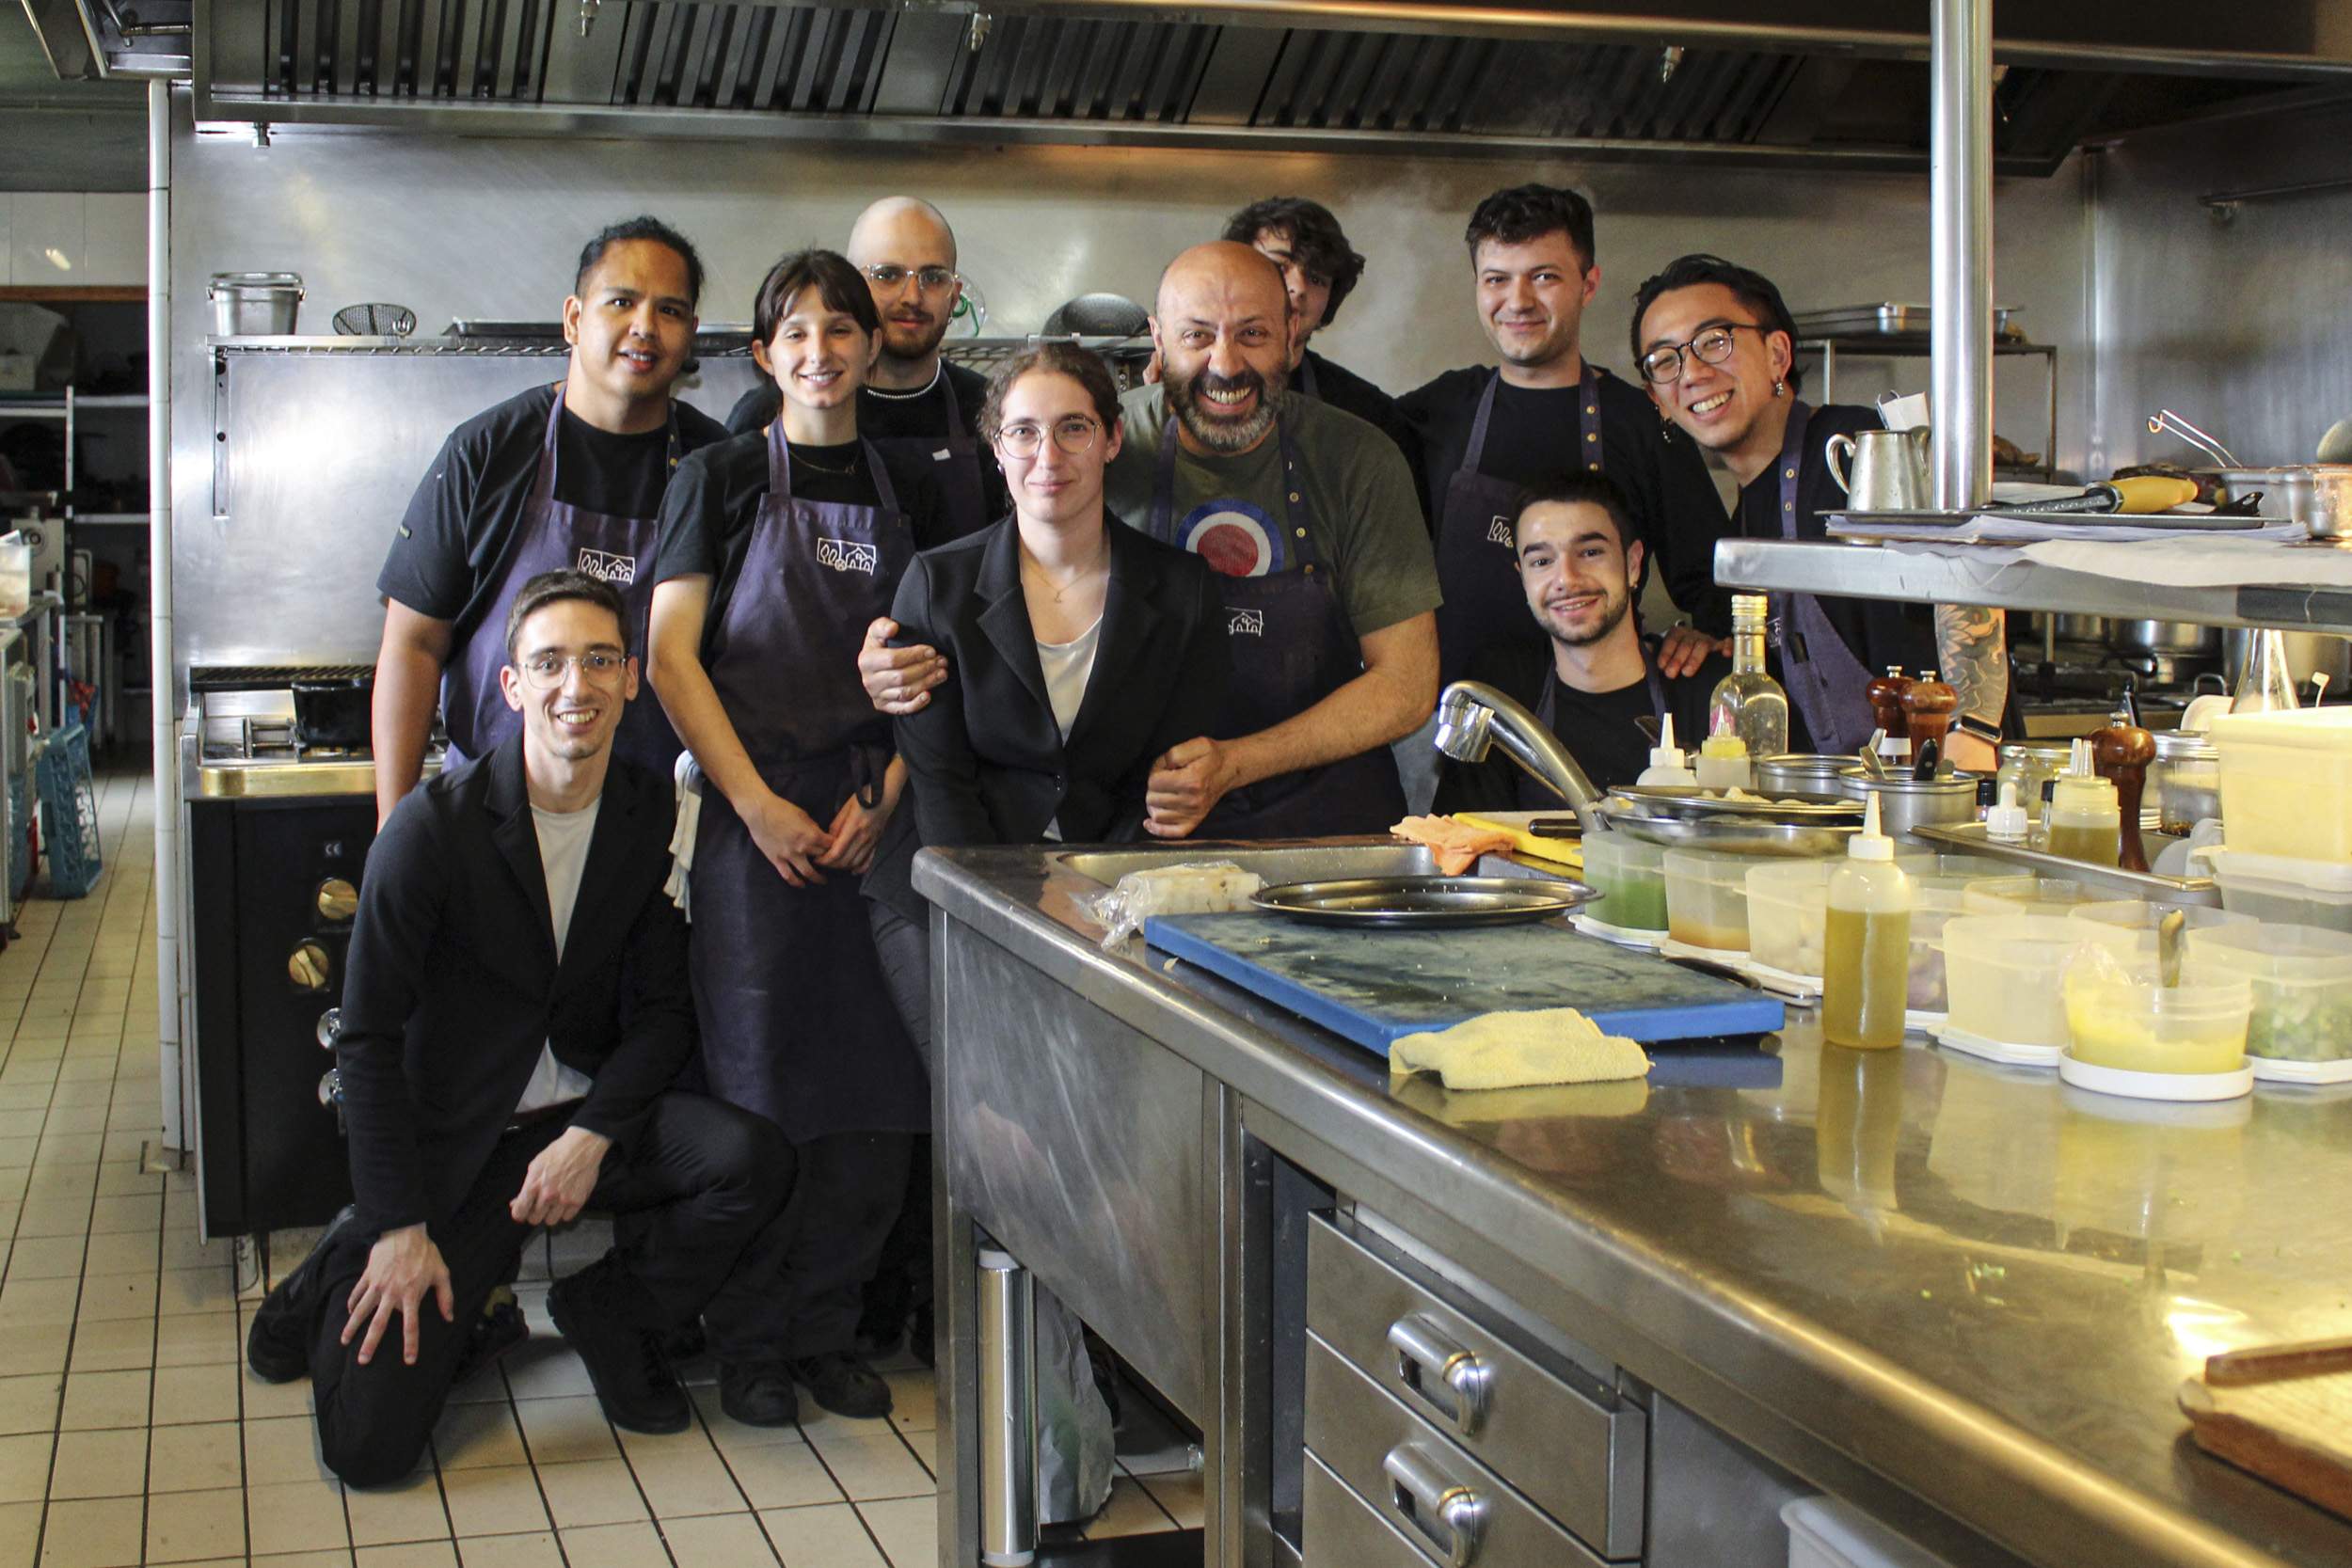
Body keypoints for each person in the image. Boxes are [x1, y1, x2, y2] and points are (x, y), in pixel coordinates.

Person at [243, 571, 800, 1484]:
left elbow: (663, 1014)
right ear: (510, 686)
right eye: (547, 663)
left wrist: (591, 1133)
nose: (572, 686)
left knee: (753, 1158)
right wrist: (396, 1223)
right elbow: (368, 1037)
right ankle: (344, 1256)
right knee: (369, 1449)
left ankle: (608, 1311)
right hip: (465, 1144)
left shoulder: (651, 812)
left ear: (628, 678)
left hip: (581, 1124)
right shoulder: (429, 832)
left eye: (597, 660)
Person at [647, 248, 945, 1421]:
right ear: (765, 355)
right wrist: (754, 804)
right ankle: (752, 1340)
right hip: (751, 815)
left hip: (870, 812)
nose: (820, 352)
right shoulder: (717, 478)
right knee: (764, 1080)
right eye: (795, 333)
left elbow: (931, 664)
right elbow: (671, 658)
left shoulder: (907, 485)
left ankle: (826, 1327)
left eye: (842, 330)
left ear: (872, 351)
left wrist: (883, 795)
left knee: (875, 1090)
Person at [857, 241, 1438, 839]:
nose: (1225, 364)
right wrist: (900, 656)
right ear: (1158, 341)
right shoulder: (1096, 439)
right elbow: (971, 585)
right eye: (1196, 336)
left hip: (1327, 816)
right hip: (1148, 822)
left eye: (1253, 335)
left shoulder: (1358, 461)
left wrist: (1236, 764)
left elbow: (1408, 685)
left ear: (1292, 334)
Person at [372, 216, 729, 826]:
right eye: (622, 301)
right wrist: (393, 830)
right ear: (573, 318)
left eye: (669, 310)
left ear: (689, 334)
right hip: (486, 822)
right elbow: (413, 644)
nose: (645, 326)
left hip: (653, 837)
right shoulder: (487, 452)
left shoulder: (714, 467)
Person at [1632, 254, 2008, 767]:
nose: (1693, 372)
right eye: (1665, 360)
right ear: (1657, 399)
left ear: (1777, 354)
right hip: (1865, 796)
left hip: (1955, 778)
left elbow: (1967, 563)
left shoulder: (1854, 449)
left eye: (1714, 341)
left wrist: (1974, 732)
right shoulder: (1747, 513)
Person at [1400, 184, 1723, 691]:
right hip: (1456, 722)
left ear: (1588, 284)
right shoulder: (1439, 410)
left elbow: (1715, 577)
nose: (1518, 301)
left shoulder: (1641, 420)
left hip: (1597, 722)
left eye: (1544, 277)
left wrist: (1706, 633)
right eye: (1497, 280)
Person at [1435, 474, 1728, 809]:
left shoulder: (1710, 690)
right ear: (1523, 578)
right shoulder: (1503, 695)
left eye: (1590, 552)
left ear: (1633, 565)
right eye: (1542, 562)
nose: (1567, 579)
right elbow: (1465, 843)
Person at [726, 196, 1004, 539]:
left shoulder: (993, 409)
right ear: (850, 288)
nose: (912, 297)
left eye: (933, 278)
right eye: (887, 275)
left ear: (954, 294)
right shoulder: (771, 413)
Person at [1220, 196, 1420, 472]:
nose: (1299, 288)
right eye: (1280, 267)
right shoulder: (1188, 388)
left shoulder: (1369, 414)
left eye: (1316, 278)